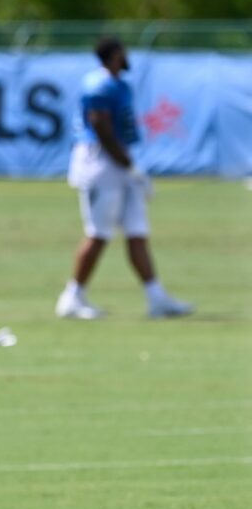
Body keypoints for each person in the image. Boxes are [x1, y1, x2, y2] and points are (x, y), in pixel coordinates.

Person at [55, 37, 193, 320]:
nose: (127, 56)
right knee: (99, 233)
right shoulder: (99, 84)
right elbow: (100, 126)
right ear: (115, 55)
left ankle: (156, 298)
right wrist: (128, 166)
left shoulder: (119, 84)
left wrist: (131, 168)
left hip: (120, 161)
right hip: (100, 162)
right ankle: (72, 296)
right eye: (123, 52)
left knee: (137, 230)